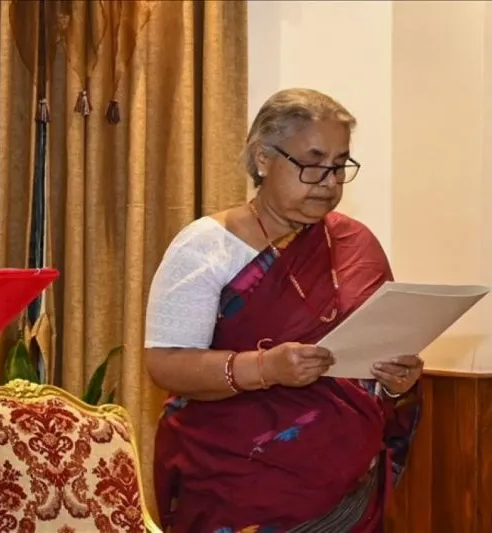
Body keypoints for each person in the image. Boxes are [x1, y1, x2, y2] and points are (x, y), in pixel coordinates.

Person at [144, 88, 423, 532]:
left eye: (339, 166)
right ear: (263, 158)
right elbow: (166, 364)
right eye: (313, 164)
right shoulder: (206, 246)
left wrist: (395, 383)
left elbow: (379, 351)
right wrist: (265, 368)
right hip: (235, 485)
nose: (329, 182)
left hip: (347, 492)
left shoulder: (355, 244)